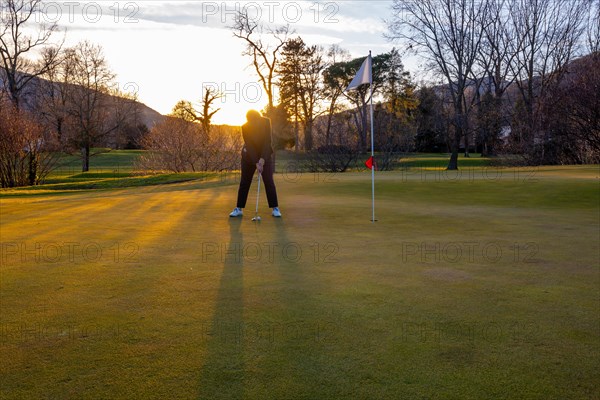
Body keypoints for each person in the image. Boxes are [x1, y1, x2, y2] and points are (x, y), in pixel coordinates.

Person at [229, 110, 281, 218]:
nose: (252, 123)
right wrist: (256, 162)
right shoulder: (245, 127)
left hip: (265, 155)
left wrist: (262, 160)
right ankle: (239, 208)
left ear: (258, 118)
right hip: (248, 157)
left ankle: (275, 208)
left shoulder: (266, 122)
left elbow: (267, 142)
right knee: (244, 182)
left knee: (269, 181)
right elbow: (250, 146)